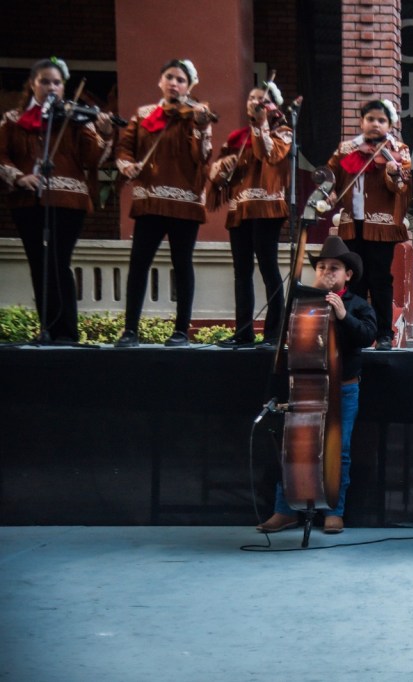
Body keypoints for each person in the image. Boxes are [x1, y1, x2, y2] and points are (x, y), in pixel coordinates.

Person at [257, 235, 377, 534]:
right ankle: (285, 510)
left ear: (348, 274)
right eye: (321, 267)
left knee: (341, 449)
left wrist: (342, 314)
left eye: (334, 268)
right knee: (295, 448)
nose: (326, 272)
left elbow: (367, 336)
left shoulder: (358, 305)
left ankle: (334, 511)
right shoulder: (302, 301)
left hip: (344, 388)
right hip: (305, 385)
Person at [0, 57, 114, 343]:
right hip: (29, 199)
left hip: (68, 200)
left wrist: (104, 133)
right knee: (38, 263)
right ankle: (47, 329)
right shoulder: (13, 119)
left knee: (58, 260)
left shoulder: (76, 120)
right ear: (33, 84)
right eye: (45, 81)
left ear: (64, 87)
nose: (52, 87)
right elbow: (2, 154)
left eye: (57, 83)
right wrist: (18, 177)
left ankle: (68, 331)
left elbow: (92, 160)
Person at [115, 58, 214, 347]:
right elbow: (124, 149)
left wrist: (200, 126)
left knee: (182, 264)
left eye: (180, 79)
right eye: (169, 77)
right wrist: (128, 166)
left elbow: (202, 157)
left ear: (189, 86)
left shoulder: (195, 115)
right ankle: (130, 330)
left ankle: (181, 331)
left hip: (184, 202)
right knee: (138, 264)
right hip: (149, 201)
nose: (174, 83)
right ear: (160, 81)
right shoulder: (144, 114)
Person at [208, 80, 290, 348]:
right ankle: (243, 333)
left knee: (268, 268)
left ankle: (273, 334)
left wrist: (261, 124)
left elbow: (268, 153)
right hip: (240, 208)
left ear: (273, 105)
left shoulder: (283, 132)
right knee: (241, 272)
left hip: (267, 207)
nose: (255, 102)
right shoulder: (236, 137)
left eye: (262, 99)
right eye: (251, 98)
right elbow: (221, 178)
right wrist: (224, 166)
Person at [325, 99, 410, 351]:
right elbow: (332, 178)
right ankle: (356, 331)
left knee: (380, 280)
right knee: (355, 280)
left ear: (390, 124)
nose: (375, 124)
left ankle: (384, 333)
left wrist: (393, 173)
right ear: (361, 121)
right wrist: (329, 193)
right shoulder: (347, 148)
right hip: (353, 224)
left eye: (381, 120)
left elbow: (403, 187)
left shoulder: (398, 149)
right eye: (370, 119)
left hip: (381, 227)